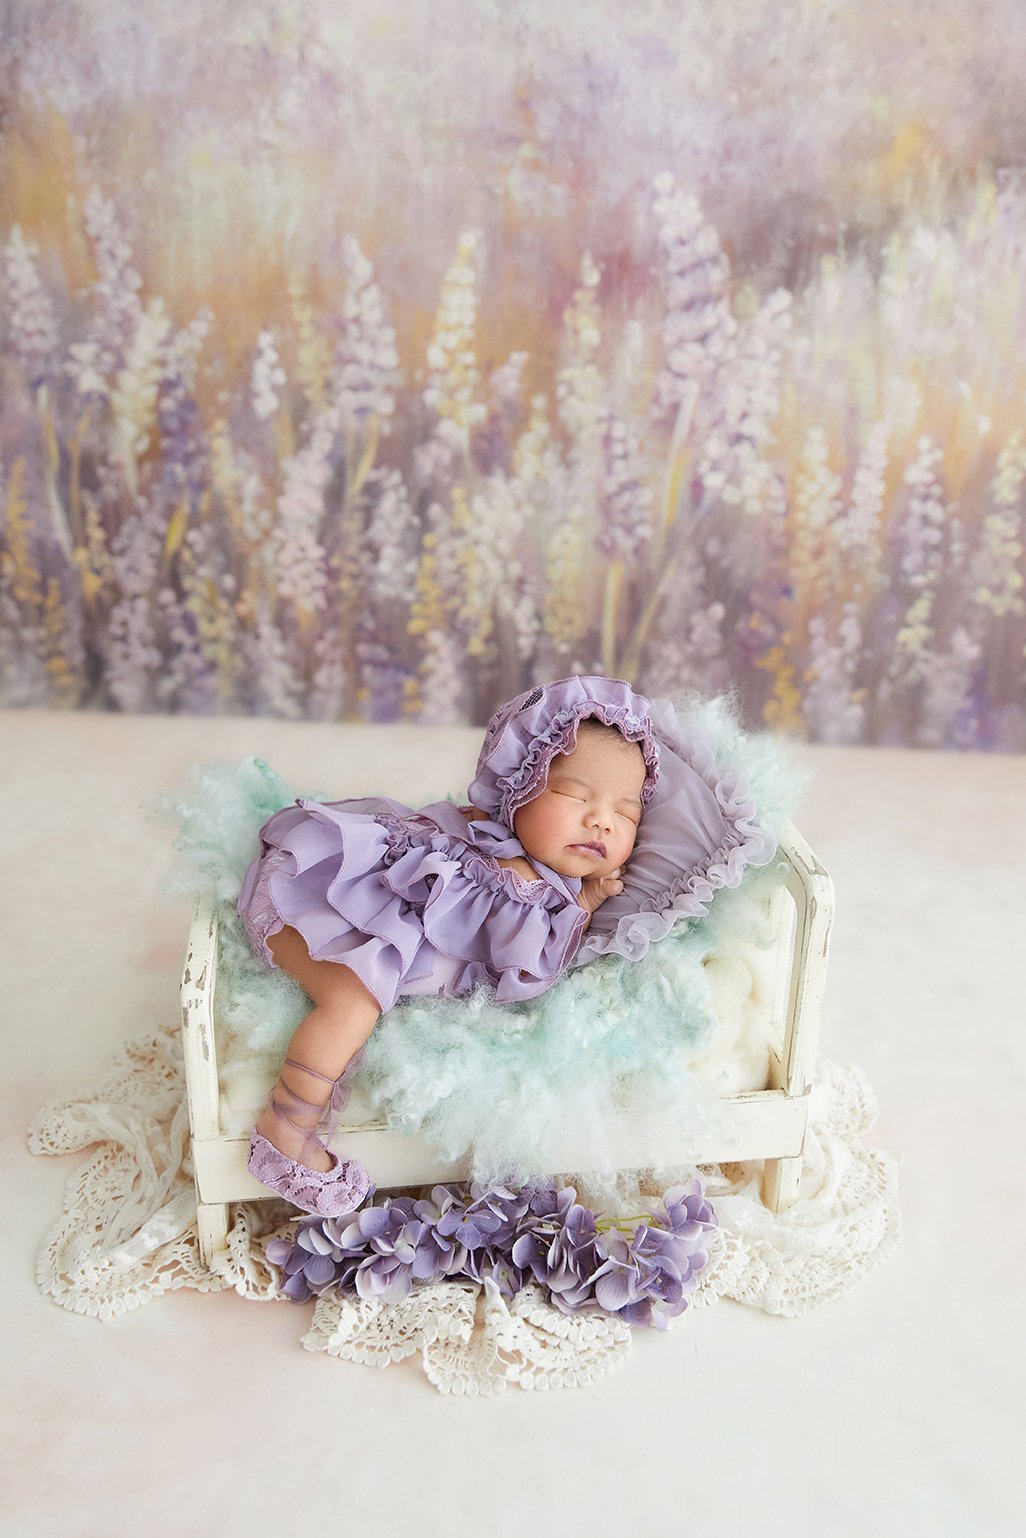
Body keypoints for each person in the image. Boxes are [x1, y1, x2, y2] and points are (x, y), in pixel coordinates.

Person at [238, 675, 659, 1217]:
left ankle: (291, 1124)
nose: (601, 819)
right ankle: (286, 1128)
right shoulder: (511, 877)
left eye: (625, 812)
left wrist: (585, 894)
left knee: (360, 994)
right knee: (352, 1001)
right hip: (313, 900)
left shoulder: (523, 861)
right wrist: (582, 909)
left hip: (328, 890)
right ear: (517, 786)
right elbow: (524, 965)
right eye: (574, 795)